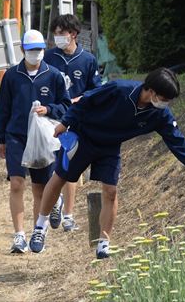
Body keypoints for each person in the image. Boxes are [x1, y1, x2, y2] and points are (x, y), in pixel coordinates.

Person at [29, 67, 185, 258]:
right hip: (84, 137)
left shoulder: (160, 115)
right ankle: (40, 227)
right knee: (60, 178)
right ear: (151, 91)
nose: (165, 104)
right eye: (164, 98)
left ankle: (104, 242)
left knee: (111, 191)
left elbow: (177, 142)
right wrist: (64, 123)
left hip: (110, 147)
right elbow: (84, 102)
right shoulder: (118, 89)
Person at [0, 29, 71, 254]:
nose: (35, 54)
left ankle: (38, 230)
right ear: (23, 50)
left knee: (40, 187)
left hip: (43, 138)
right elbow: (3, 109)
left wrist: (48, 109)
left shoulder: (54, 75)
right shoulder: (12, 75)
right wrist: (2, 138)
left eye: (39, 50)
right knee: (17, 183)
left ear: (44, 50)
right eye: (31, 50)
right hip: (16, 136)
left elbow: (66, 106)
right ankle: (19, 235)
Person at [44, 14, 103, 232]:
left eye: (61, 33)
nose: (57, 37)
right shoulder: (49, 57)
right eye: (55, 34)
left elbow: (96, 89)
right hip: (51, 118)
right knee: (52, 166)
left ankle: (68, 214)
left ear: (73, 34)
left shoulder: (87, 60)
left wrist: (80, 99)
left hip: (77, 120)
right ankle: (56, 202)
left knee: (72, 166)